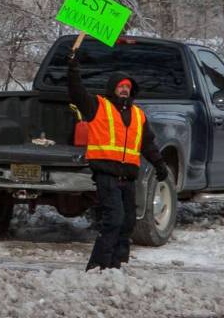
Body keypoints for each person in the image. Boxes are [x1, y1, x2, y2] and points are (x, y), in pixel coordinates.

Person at [67, 50, 171, 271]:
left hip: (128, 177)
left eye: (127, 87)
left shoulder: (138, 115)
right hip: (106, 174)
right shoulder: (98, 106)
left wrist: (159, 165)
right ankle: (98, 266)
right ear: (113, 88)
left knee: (127, 223)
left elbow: (148, 144)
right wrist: (73, 68)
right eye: (120, 86)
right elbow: (77, 93)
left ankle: (117, 266)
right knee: (113, 220)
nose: (124, 89)